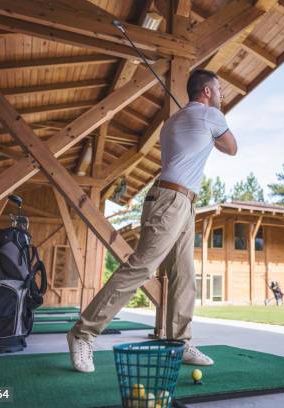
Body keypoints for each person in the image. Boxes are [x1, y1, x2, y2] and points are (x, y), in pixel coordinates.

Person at [67, 69, 238, 373]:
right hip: (171, 202)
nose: (222, 95)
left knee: (184, 274)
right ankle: (84, 333)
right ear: (207, 92)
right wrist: (215, 121)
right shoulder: (210, 116)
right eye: (220, 89)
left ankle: (180, 342)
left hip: (182, 202)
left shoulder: (172, 122)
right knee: (141, 266)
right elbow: (232, 148)